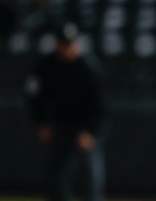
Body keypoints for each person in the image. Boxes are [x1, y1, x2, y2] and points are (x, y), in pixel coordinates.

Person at [26, 22, 108, 201]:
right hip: (60, 122)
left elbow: (101, 105)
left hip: (85, 123)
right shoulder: (46, 66)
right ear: (56, 43)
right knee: (56, 171)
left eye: (71, 43)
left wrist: (90, 131)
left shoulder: (88, 67)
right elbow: (34, 96)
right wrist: (42, 122)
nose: (68, 47)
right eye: (64, 43)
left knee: (90, 171)